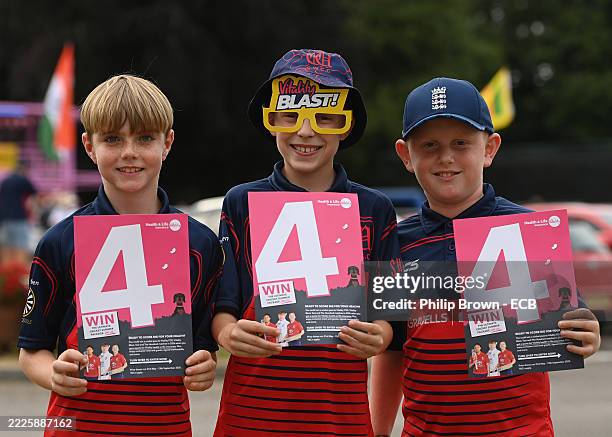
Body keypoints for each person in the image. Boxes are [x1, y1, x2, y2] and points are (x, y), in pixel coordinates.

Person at [370, 77, 601, 436]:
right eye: (429, 145)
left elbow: (572, 322)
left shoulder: (528, 230)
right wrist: (378, 430)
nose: (445, 157)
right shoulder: (395, 242)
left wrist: (586, 334)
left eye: (461, 143)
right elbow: (393, 350)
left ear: (489, 148)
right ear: (406, 155)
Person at [17, 74, 223, 437]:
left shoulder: (200, 243)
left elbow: (202, 346)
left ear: (167, 143)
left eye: (144, 138)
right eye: (112, 138)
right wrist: (54, 374)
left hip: (165, 428)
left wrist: (204, 366)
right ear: (89, 146)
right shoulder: (60, 241)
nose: (129, 152)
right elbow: (31, 351)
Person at [212, 48, 400, 436]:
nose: (306, 131)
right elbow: (222, 305)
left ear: (346, 126)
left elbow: (390, 316)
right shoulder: (240, 202)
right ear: (270, 121)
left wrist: (380, 334)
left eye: (325, 117)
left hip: (340, 417)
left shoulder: (376, 209)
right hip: (250, 416)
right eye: (290, 116)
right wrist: (228, 333)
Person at [0, 162, 38, 265]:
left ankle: (5, 276)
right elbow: (33, 197)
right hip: (19, 218)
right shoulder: (23, 180)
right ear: (24, 169)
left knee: (5, 249)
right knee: (21, 247)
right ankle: (19, 275)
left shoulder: (5, 181)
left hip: (4, 219)